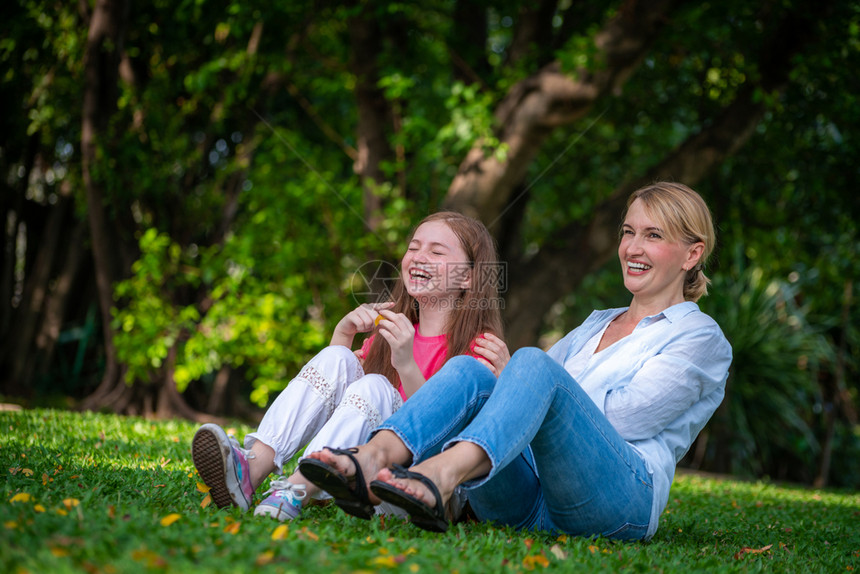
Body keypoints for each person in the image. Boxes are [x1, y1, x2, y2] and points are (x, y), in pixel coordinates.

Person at [303, 182, 732, 540]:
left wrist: (528, 387)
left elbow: (624, 420)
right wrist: (518, 386)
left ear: (692, 255)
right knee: (472, 368)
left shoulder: (699, 337)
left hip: (616, 504)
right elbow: (530, 394)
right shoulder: (595, 324)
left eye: (653, 236)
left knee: (529, 364)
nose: (632, 247)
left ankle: (439, 475)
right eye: (628, 232)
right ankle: (374, 456)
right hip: (526, 502)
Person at [191, 211, 509, 522]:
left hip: (423, 487)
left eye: (436, 251)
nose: (419, 256)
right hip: (360, 475)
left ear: (468, 276)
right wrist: (341, 338)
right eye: (413, 247)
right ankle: (254, 468)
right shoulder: (387, 334)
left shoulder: (481, 348)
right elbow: (333, 402)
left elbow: (451, 436)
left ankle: (296, 488)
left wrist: (407, 364)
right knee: (340, 358)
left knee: (376, 387)